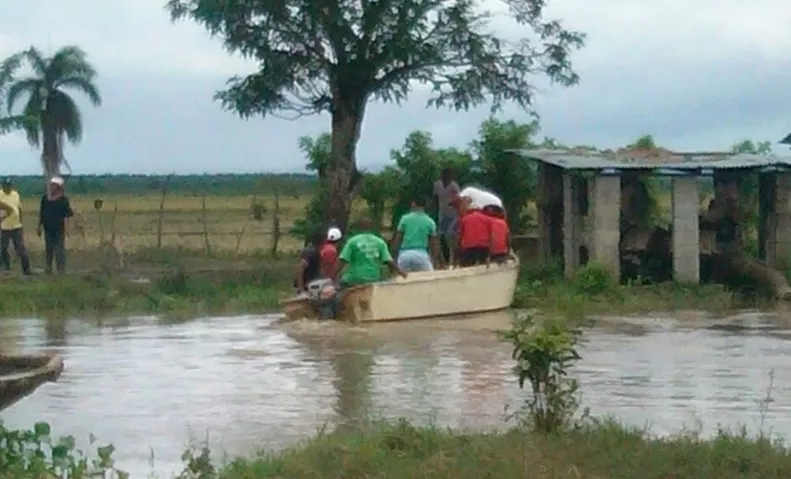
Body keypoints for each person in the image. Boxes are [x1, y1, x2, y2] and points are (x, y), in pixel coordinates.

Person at [336, 217, 406, 287]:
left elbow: (342, 260)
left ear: (359, 227)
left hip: (355, 278)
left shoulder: (352, 241)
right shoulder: (380, 242)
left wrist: (332, 276)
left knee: (341, 284)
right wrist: (400, 272)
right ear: (371, 227)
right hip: (373, 278)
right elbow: (388, 261)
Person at [391, 195, 440, 272]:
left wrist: (394, 257)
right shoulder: (430, 221)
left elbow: (398, 239)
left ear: (413, 204)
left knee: (401, 280)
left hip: (404, 254)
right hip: (421, 255)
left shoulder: (404, 219)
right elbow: (434, 244)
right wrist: (435, 260)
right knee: (429, 279)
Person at [38, 176, 74, 274]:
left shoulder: (63, 200)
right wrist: (39, 227)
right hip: (48, 229)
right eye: (50, 185)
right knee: (48, 250)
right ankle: (48, 269)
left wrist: (67, 230)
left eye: (53, 185)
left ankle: (61, 270)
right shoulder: (45, 199)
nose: (51, 187)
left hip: (59, 229)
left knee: (59, 250)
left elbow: (67, 216)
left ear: (58, 187)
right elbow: (42, 213)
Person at [0, 178, 31, 275]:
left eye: (9, 186)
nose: (7, 188)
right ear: (3, 186)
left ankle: (26, 269)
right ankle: (6, 266)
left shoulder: (15, 194)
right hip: (4, 226)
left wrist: (21, 221)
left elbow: (19, 208)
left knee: (20, 248)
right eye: (6, 186)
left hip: (16, 226)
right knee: (3, 248)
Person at [433, 167, 460, 265]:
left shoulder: (454, 186)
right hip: (442, 214)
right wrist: (435, 213)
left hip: (453, 215)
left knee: (451, 236)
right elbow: (435, 199)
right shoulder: (437, 185)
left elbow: (458, 200)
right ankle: (444, 258)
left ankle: (453, 258)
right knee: (441, 236)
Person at [456, 198, 492, 267]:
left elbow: (460, 235)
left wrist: (459, 248)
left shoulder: (464, 219)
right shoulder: (487, 219)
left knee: (467, 264)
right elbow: (491, 235)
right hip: (484, 247)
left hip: (469, 248)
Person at [294, 229, 325, 293]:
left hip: (312, 286)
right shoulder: (310, 252)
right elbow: (300, 269)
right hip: (306, 288)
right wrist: (302, 290)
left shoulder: (316, 252)